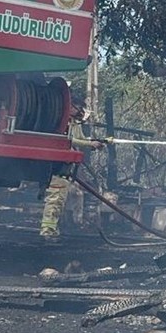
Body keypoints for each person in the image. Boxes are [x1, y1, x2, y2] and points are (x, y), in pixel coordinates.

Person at [40, 95, 106, 237]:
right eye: (78, 107)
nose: (80, 111)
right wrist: (89, 144)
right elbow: (68, 140)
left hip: (66, 165)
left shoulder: (74, 123)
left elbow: (80, 139)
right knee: (56, 198)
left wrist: (95, 141)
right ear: (69, 106)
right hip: (57, 165)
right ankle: (47, 230)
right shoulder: (60, 121)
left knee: (65, 197)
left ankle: (55, 228)